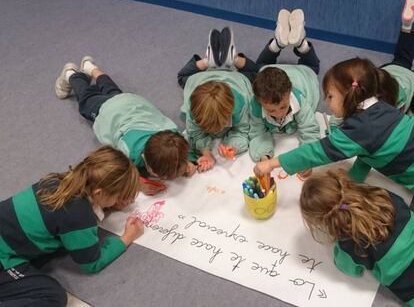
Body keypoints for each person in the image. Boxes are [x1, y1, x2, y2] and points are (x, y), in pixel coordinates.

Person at [0, 146, 143, 306]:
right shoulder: (79, 216)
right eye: (118, 196)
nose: (120, 200)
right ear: (98, 193)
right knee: (52, 295)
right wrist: (126, 238)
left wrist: (108, 203)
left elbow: (60, 216)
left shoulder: (57, 181)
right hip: (3, 259)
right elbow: (92, 263)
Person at [254, 57, 414, 190]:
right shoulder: (379, 107)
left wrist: (272, 163)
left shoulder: (358, 130)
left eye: (330, 96)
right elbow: (368, 151)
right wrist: (353, 179)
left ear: (348, 94)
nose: (326, 102)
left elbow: (315, 152)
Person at [55, 56, 196, 195]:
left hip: (130, 102)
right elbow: (123, 172)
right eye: (163, 176)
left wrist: (184, 162)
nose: (167, 179)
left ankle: (91, 68)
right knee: (86, 98)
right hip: (107, 110)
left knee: (111, 90)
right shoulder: (129, 151)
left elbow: (179, 148)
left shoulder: (172, 134)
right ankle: (71, 74)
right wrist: (139, 184)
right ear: (146, 161)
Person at [300, 170, 414, 306]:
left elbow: (351, 270)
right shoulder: (382, 194)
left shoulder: (348, 244)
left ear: (322, 220)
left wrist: (337, 250)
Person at [249, 9, 320, 179]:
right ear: (259, 102)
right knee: (260, 68)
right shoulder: (256, 105)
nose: (280, 113)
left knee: (313, 68)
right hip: (268, 73)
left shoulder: (300, 102)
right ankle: (282, 42)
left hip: (302, 74)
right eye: (272, 111)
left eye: (283, 106)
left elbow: (309, 131)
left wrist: (307, 160)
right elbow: (257, 132)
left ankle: (292, 43)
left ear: (289, 94)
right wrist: (264, 156)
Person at [177, 27, 253, 171]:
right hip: (200, 79)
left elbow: (243, 131)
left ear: (231, 111)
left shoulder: (241, 104)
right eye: (208, 127)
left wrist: (233, 147)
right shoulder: (192, 109)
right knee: (182, 78)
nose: (215, 131)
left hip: (235, 79)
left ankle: (217, 61)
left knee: (257, 74)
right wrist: (206, 153)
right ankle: (215, 61)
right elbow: (195, 133)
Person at [377, 0, 414, 114]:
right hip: (387, 72)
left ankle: (406, 26)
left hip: (408, 79)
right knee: (402, 58)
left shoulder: (395, 118)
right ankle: (406, 26)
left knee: (404, 59)